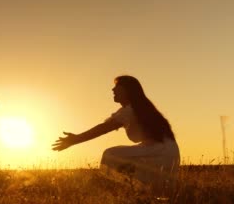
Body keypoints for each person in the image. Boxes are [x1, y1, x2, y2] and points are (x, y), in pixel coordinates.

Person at [52, 75, 180, 192]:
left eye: (117, 87)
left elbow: (103, 128)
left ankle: (119, 190)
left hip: (160, 151)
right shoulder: (135, 108)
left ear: (127, 90)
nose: (113, 90)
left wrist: (75, 139)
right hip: (162, 149)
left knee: (111, 155)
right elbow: (105, 126)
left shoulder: (131, 110)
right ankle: (130, 191)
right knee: (119, 160)